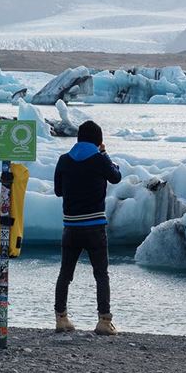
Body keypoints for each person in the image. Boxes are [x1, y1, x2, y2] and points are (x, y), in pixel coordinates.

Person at [53, 120, 122, 335]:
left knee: (65, 274)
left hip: (71, 227)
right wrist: (104, 154)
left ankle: (61, 319)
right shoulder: (99, 160)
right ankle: (103, 321)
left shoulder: (64, 160)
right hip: (94, 226)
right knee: (101, 274)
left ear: (78, 138)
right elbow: (116, 176)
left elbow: (57, 191)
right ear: (99, 141)